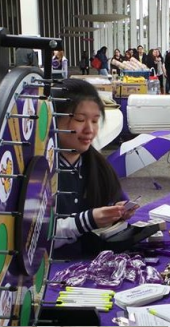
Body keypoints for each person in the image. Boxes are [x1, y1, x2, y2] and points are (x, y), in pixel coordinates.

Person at [51, 78, 138, 255]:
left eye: (95, 120)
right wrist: (87, 220)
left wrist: (117, 212)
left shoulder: (98, 166)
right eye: (80, 119)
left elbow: (116, 201)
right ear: (53, 120)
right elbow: (32, 240)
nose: (89, 130)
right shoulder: (39, 171)